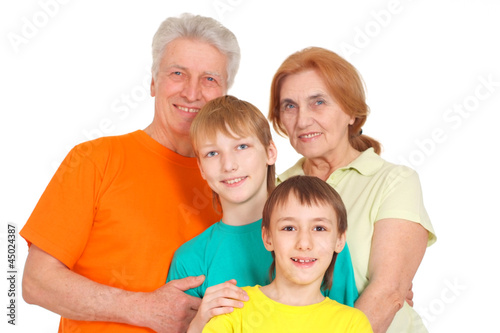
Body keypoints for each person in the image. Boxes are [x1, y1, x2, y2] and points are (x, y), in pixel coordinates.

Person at [20, 13, 240, 333]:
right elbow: (35, 282)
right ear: (153, 82)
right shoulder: (96, 160)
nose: (192, 93)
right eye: (178, 73)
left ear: (225, 94)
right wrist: (142, 308)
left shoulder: (236, 182)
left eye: (209, 79)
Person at [268, 46, 437, 333]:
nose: (303, 119)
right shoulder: (273, 190)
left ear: (350, 111)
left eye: (318, 102)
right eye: (289, 106)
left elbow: (387, 293)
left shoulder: (394, 181)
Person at [166, 95, 359, 332]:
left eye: (242, 146)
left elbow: (342, 318)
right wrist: (198, 324)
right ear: (201, 169)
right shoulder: (191, 259)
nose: (229, 165)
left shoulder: (319, 237)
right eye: (212, 153)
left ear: (270, 152)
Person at [202, 175, 373, 332]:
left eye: (319, 228)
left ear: (340, 240)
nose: (304, 243)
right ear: (268, 238)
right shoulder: (233, 310)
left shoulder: (352, 324)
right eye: (289, 228)